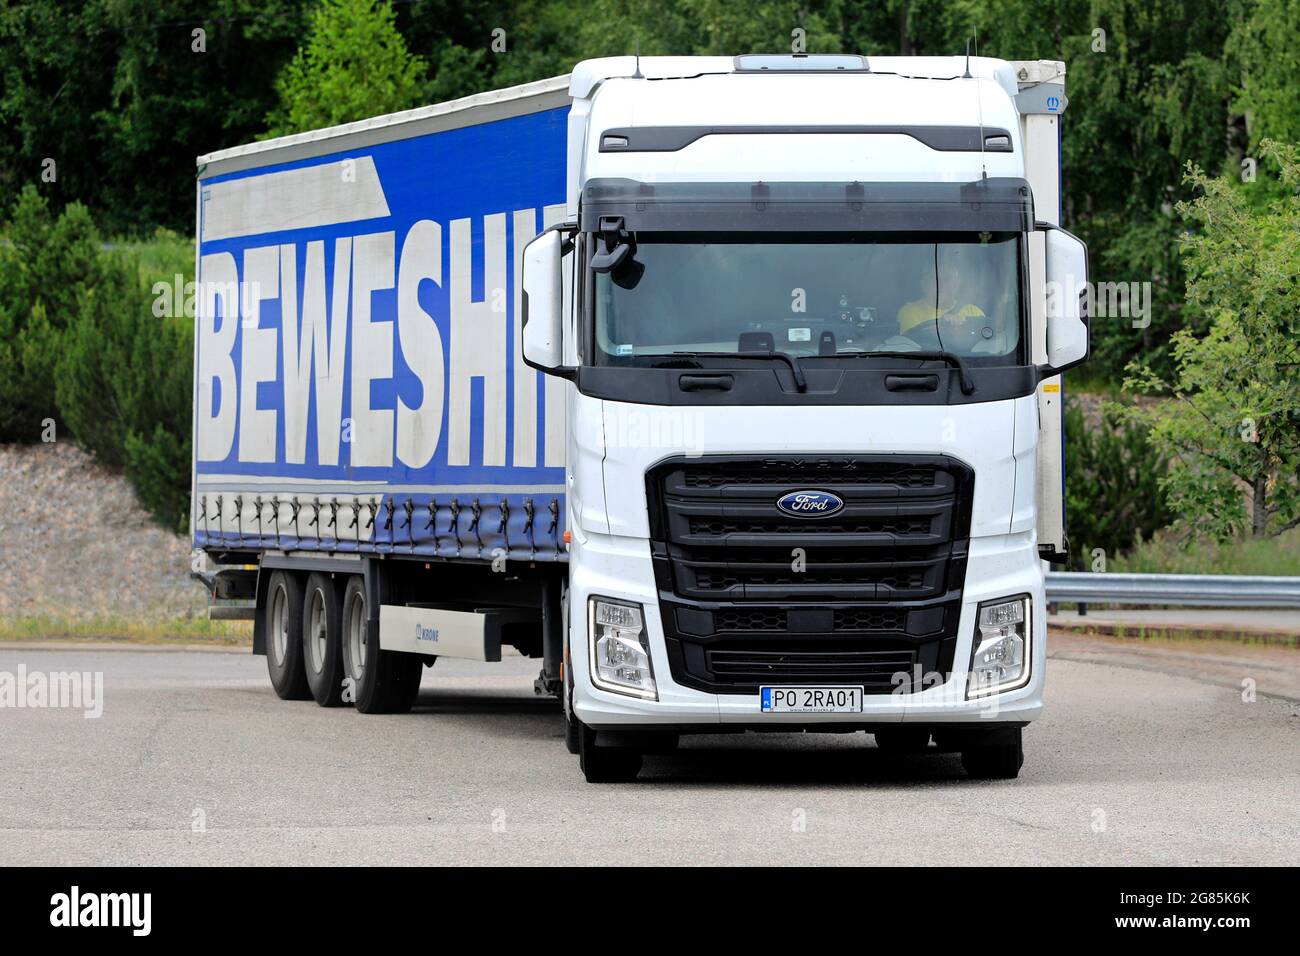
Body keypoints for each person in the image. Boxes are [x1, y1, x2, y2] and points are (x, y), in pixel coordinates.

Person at [895, 256, 986, 345]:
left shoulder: (973, 311)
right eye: (936, 278)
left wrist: (960, 331)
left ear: (956, 285)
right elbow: (911, 345)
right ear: (924, 283)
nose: (942, 284)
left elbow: (986, 343)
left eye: (948, 279)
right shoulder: (910, 312)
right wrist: (943, 329)